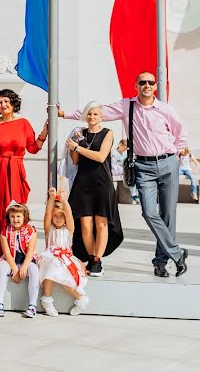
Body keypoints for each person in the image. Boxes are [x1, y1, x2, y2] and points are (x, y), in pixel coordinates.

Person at [59, 71, 189, 278]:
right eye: (142, 82)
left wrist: (171, 153)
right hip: (143, 166)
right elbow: (94, 111)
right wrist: (63, 114)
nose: (146, 85)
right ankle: (176, 252)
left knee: (168, 215)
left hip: (167, 164)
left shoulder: (165, 109)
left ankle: (161, 261)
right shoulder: (126, 106)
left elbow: (182, 133)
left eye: (150, 82)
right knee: (149, 212)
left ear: (155, 86)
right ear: (136, 85)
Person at [0, 89, 47, 258]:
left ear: (13, 104)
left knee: (14, 207)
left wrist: (45, 132)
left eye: (6, 101)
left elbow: (33, 148)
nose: (3, 105)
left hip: (14, 171)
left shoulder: (23, 123)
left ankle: (17, 247)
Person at [66, 101, 123, 276]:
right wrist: (72, 148)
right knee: (85, 225)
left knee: (101, 223)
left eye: (96, 114)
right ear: (85, 115)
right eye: (89, 114)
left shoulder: (108, 133)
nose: (92, 117)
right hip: (83, 183)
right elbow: (75, 161)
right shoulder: (79, 133)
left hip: (102, 183)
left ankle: (98, 260)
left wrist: (77, 147)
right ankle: (90, 258)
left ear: (102, 117)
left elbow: (100, 157)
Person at [38, 188, 89, 317]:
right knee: (49, 272)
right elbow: (47, 213)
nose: (59, 218)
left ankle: (80, 299)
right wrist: (51, 198)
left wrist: (64, 201)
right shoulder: (49, 229)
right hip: (50, 257)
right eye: (56, 216)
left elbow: (70, 215)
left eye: (62, 216)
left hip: (66, 259)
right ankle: (47, 300)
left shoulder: (69, 229)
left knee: (67, 281)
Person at [0, 202, 39, 318]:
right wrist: (14, 269)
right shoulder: (5, 232)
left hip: (26, 261)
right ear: (8, 217)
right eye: (12, 216)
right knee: (1, 268)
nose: (15, 219)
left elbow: (30, 252)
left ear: (24, 217)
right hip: (10, 260)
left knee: (34, 270)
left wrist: (23, 267)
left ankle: (32, 305)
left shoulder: (31, 231)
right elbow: (7, 253)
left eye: (18, 216)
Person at [111, 139, 140, 205]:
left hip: (123, 172)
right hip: (116, 172)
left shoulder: (125, 154)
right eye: (124, 148)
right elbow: (114, 166)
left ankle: (135, 194)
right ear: (120, 145)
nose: (124, 150)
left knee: (132, 176)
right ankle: (134, 195)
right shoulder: (113, 154)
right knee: (129, 176)